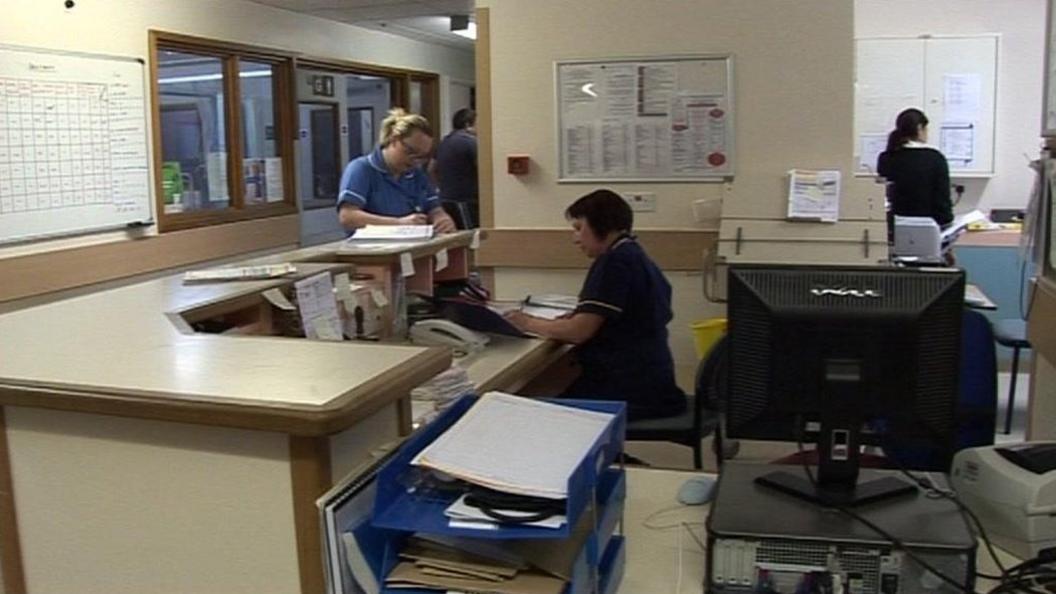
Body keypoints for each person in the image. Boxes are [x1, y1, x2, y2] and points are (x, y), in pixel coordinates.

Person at [504, 189, 687, 421]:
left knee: (522, 406)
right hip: (652, 382)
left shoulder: (613, 262)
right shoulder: (635, 255)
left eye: (579, 228)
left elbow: (579, 332)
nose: (575, 238)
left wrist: (526, 322)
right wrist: (579, 315)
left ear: (602, 224)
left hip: (628, 389)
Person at [336, 108, 456, 234]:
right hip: (371, 250)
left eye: (421, 157)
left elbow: (434, 207)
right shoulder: (361, 169)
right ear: (394, 139)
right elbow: (347, 217)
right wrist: (399, 223)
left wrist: (442, 219)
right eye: (410, 152)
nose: (415, 161)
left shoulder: (417, 174)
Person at [876, 108, 953, 227]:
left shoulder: (886, 158)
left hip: (893, 227)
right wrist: (947, 222)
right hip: (928, 228)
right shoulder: (935, 158)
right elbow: (942, 201)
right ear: (919, 128)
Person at [429, 107, 479, 228]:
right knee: (470, 238)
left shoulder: (443, 142)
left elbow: (431, 169)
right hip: (466, 199)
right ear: (468, 124)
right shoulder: (472, 143)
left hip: (445, 198)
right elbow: (483, 170)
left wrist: (441, 186)